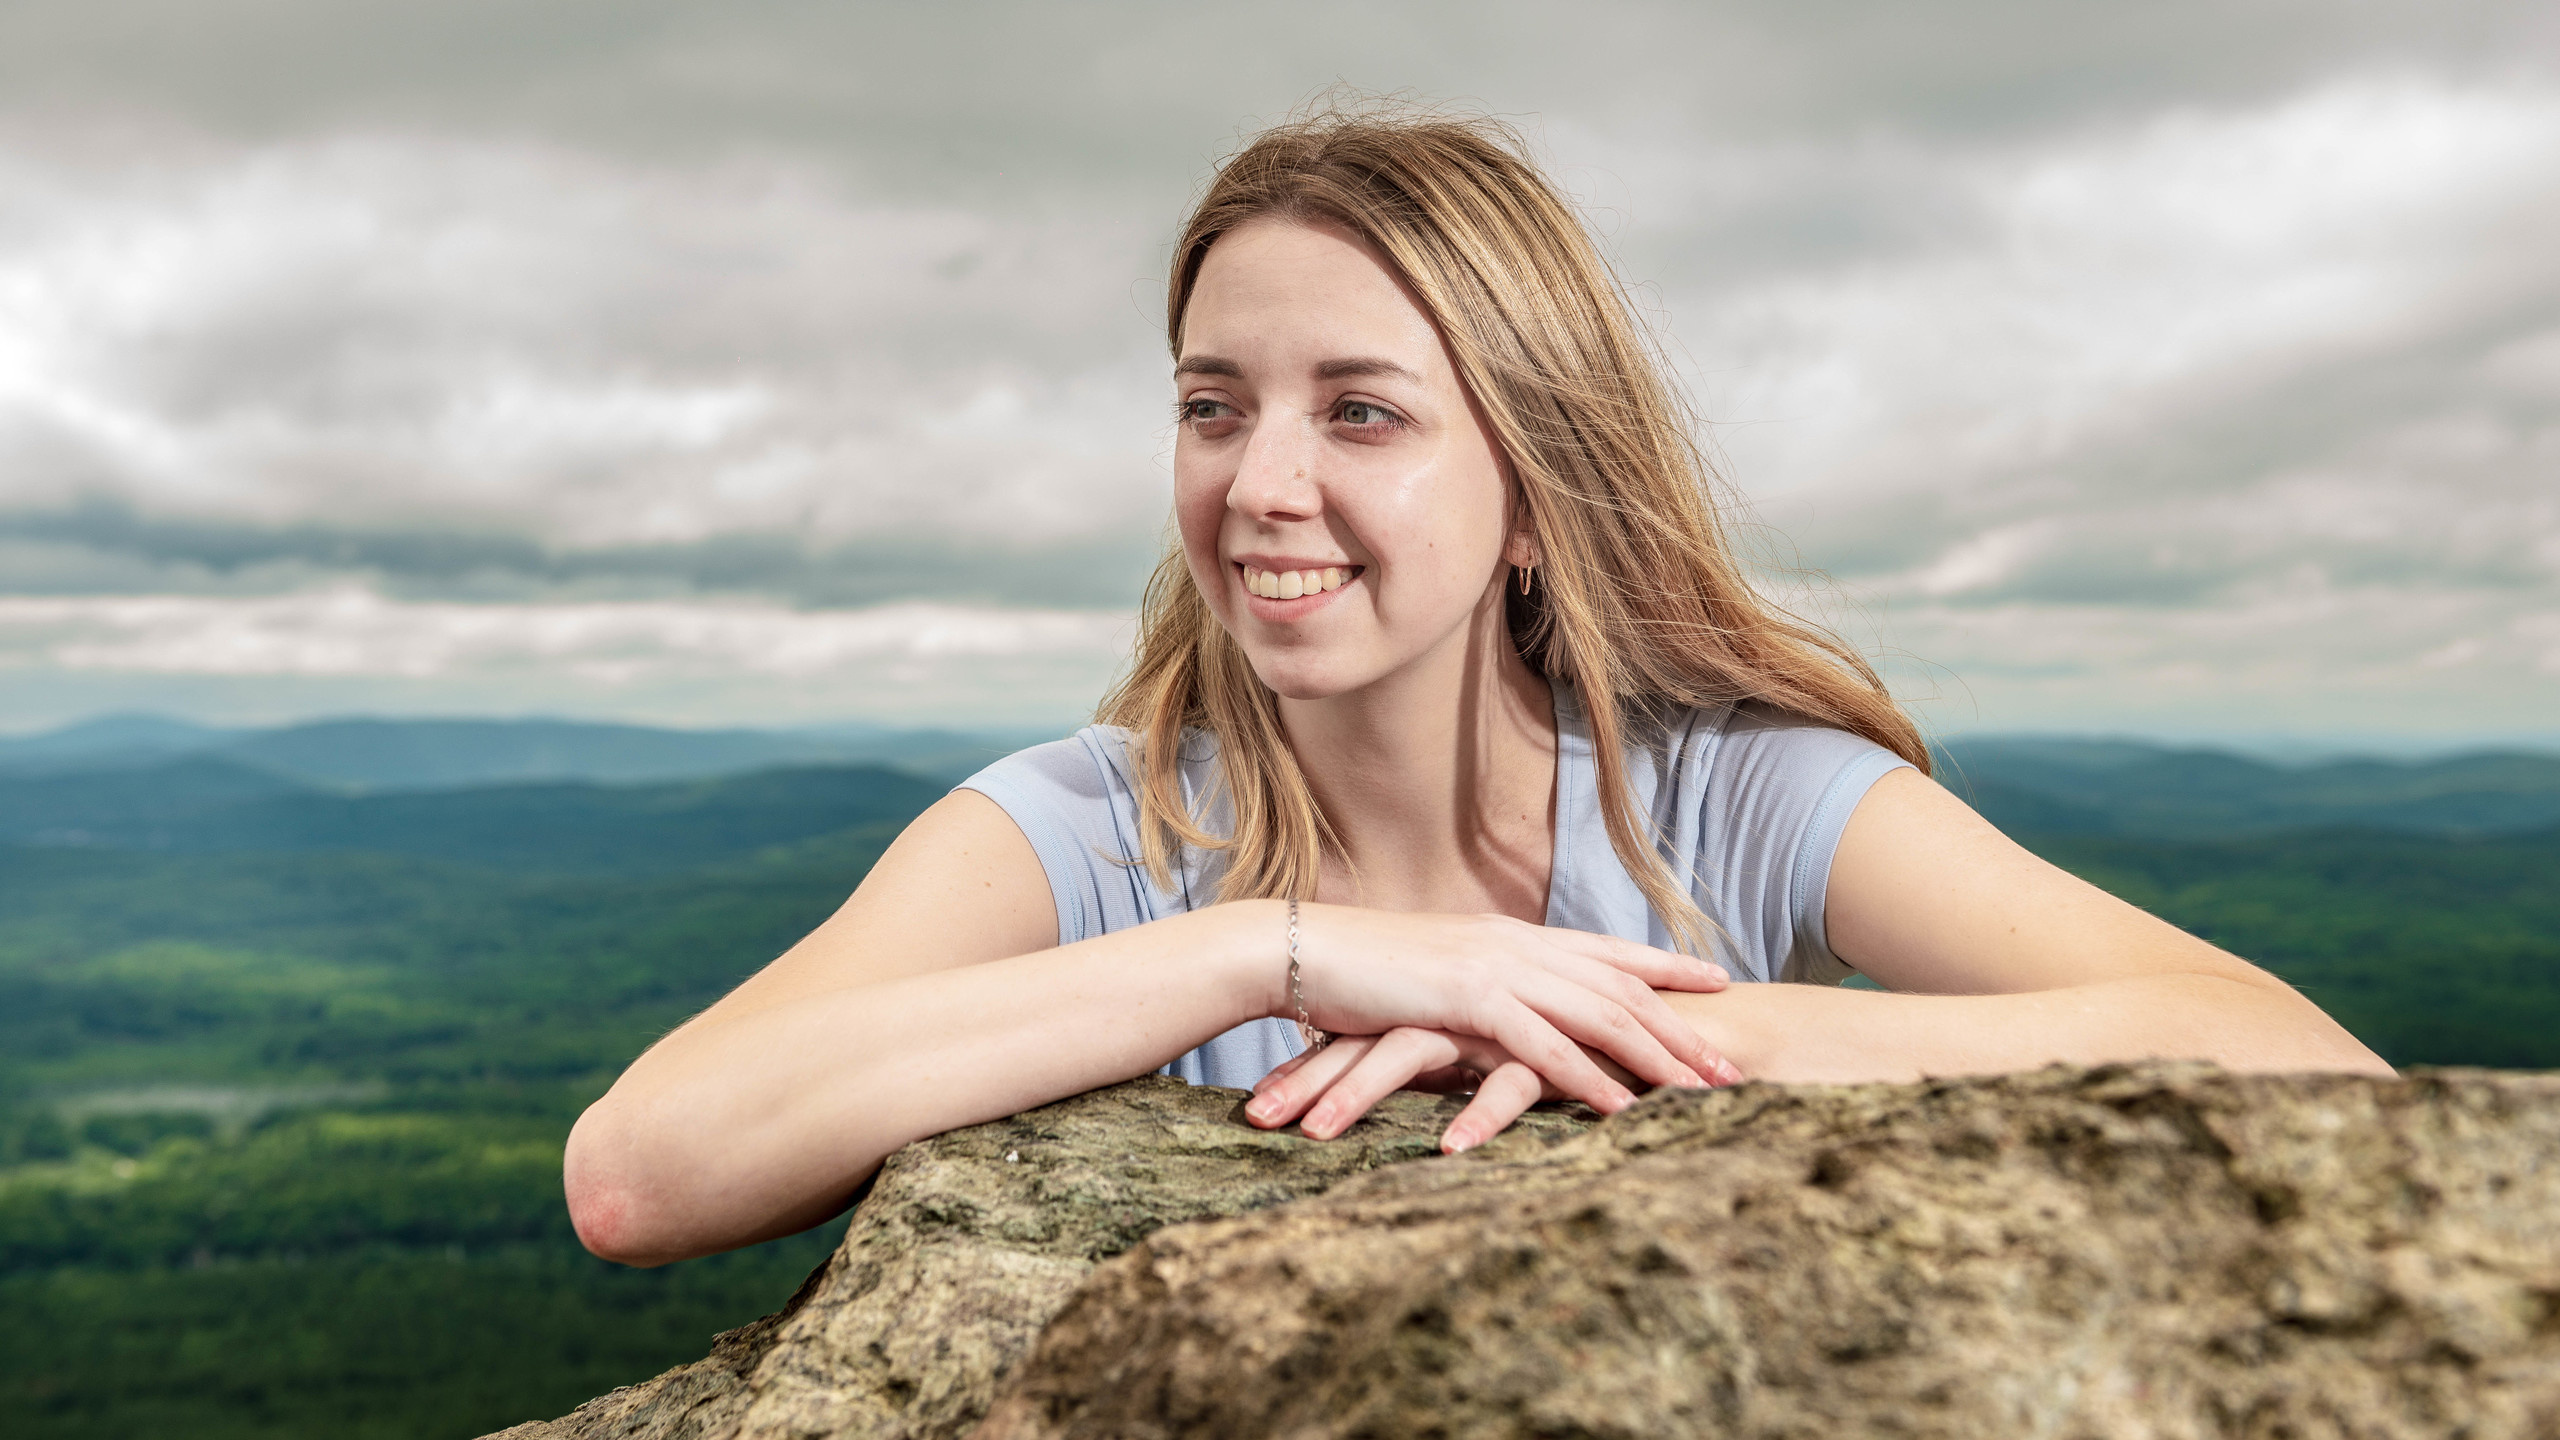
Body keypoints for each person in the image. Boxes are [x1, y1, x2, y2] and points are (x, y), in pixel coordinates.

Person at [563, 107, 2389, 1269]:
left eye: (1361, 412)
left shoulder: (1730, 795)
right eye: (1213, 406)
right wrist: (1269, 953)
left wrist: (1655, 1040)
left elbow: (2305, 1066)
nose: (1261, 483)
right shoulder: (1086, 829)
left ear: (1532, 488)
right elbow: (640, 1174)